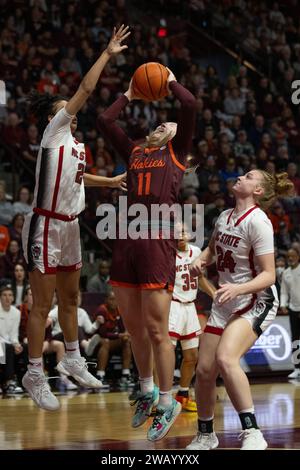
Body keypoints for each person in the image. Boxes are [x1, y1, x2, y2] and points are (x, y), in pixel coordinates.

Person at [21, 25, 130, 411]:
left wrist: (110, 180)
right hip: (45, 224)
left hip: (69, 225)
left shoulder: (77, 147)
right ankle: (34, 372)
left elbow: (78, 177)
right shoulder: (53, 134)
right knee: (41, 303)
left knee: (71, 298)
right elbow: (85, 89)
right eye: (65, 106)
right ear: (54, 117)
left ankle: (71, 357)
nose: (73, 108)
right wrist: (106, 53)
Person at [98, 68, 197, 440]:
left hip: (157, 239)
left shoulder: (177, 150)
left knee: (158, 331)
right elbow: (105, 119)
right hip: (127, 237)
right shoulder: (135, 150)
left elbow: (188, 103)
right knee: (134, 327)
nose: (161, 125)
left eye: (167, 125)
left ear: (175, 135)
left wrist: (169, 78)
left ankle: (168, 399)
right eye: (158, 124)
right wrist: (128, 93)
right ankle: (145, 389)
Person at [186, 170, 293, 450]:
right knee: (205, 369)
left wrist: (238, 289)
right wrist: (201, 260)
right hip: (226, 300)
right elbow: (211, 249)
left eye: (248, 176)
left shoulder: (259, 222)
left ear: (257, 190)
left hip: (256, 299)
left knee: (226, 358)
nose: (241, 177)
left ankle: (252, 432)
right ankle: (206, 434)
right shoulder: (224, 217)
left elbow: (269, 275)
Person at [169, 233, 216, 412]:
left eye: (182, 232)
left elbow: (200, 279)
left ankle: (182, 396)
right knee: (166, 355)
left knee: (192, 357)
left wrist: (213, 293)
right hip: (173, 306)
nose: (179, 236)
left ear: (188, 235)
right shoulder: (167, 254)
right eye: (175, 233)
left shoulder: (197, 252)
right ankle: (158, 398)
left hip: (190, 307)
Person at [86, 290, 132, 389]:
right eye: (111, 299)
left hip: (112, 341)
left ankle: (125, 375)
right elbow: (103, 333)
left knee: (126, 341)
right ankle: (100, 375)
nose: (114, 302)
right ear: (106, 300)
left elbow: (122, 329)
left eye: (116, 299)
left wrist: (124, 335)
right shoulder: (102, 310)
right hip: (97, 342)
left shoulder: (119, 310)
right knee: (106, 341)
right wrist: (119, 335)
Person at [280, 248, 300, 379]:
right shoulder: (285, 273)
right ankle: (297, 368)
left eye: (293, 256)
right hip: (293, 309)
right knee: (295, 340)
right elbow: (284, 292)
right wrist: (283, 304)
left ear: (298, 256)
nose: (291, 258)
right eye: (289, 257)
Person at [0, 286, 24, 395]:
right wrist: (11, 344)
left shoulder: (16, 313)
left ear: (13, 298)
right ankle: (9, 381)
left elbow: (14, 335)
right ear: (0, 297)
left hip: (7, 344)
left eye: (10, 295)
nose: (7, 298)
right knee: (8, 347)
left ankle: (28, 381)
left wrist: (17, 344)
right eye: (4, 295)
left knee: (25, 347)